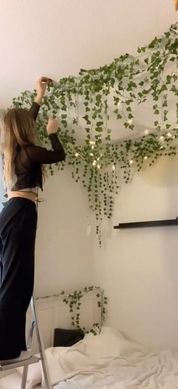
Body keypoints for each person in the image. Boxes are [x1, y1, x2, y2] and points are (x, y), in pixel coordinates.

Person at [0, 77, 65, 361]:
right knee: (17, 282)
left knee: (9, 280)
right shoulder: (29, 153)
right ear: (25, 130)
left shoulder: (12, 152)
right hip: (22, 214)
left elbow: (26, 120)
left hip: (9, 214)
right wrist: (53, 132)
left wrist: (40, 96)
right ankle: (4, 347)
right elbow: (58, 155)